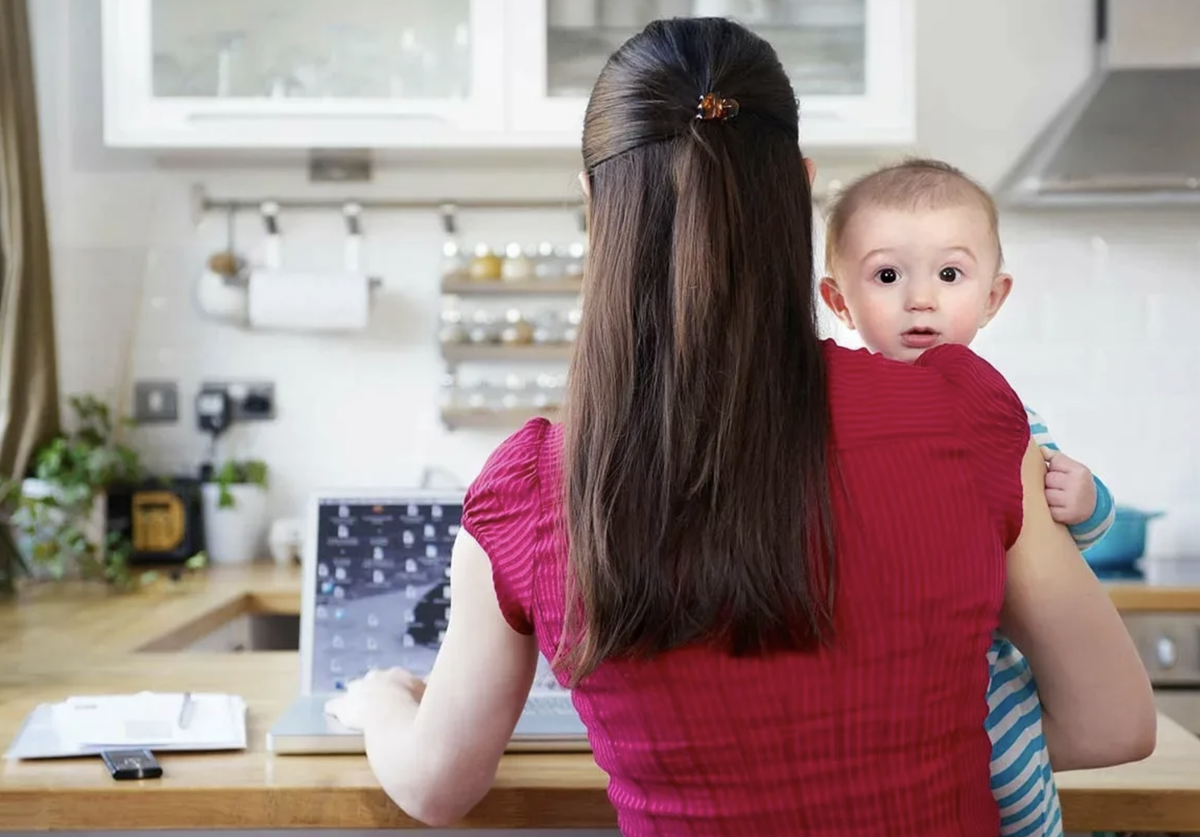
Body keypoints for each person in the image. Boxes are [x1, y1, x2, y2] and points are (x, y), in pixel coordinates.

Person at [325, 17, 1156, 836]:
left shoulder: (531, 486)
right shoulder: (963, 411)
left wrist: (381, 703)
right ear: (799, 184)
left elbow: (437, 786)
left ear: (593, 200)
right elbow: (1112, 721)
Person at [818, 158, 1117, 837]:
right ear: (839, 300)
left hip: (985, 667)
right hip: (869, 673)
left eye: (949, 275)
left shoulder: (1002, 413)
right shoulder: (827, 415)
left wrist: (1086, 500)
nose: (920, 299)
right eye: (888, 276)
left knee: (1014, 789)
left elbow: (1066, 541)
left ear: (992, 296)